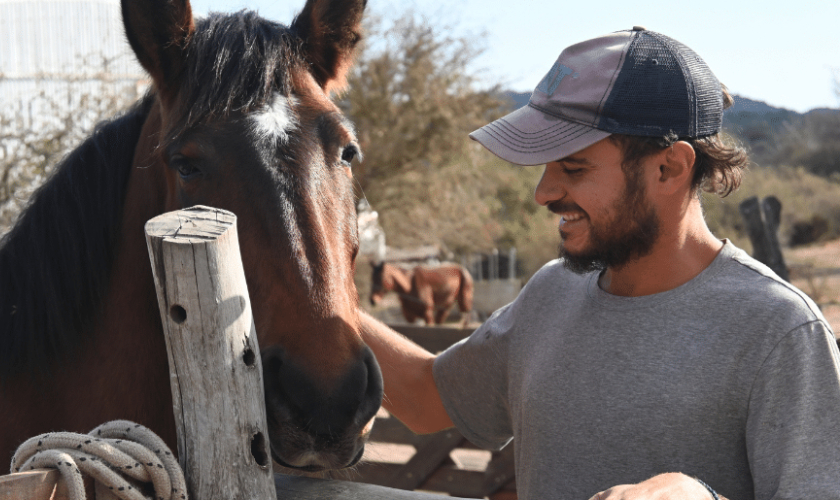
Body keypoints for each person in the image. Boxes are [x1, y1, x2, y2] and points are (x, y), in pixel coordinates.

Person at [359, 27, 840, 500]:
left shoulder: (781, 331)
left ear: (668, 168)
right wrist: (309, 294)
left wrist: (698, 497)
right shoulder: (550, 292)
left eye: (573, 168)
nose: (543, 192)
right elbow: (426, 399)